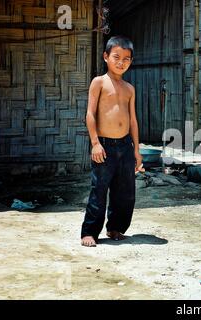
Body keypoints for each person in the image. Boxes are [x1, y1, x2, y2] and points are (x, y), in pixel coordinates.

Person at [81, 36, 144, 247]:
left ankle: (116, 228)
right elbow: (90, 114)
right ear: (106, 57)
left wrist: (136, 150)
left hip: (126, 146)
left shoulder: (130, 89)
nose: (121, 62)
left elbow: (133, 120)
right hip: (104, 146)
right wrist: (95, 143)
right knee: (99, 190)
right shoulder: (99, 82)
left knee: (125, 193)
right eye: (116, 57)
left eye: (126, 58)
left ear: (131, 61)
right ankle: (89, 232)